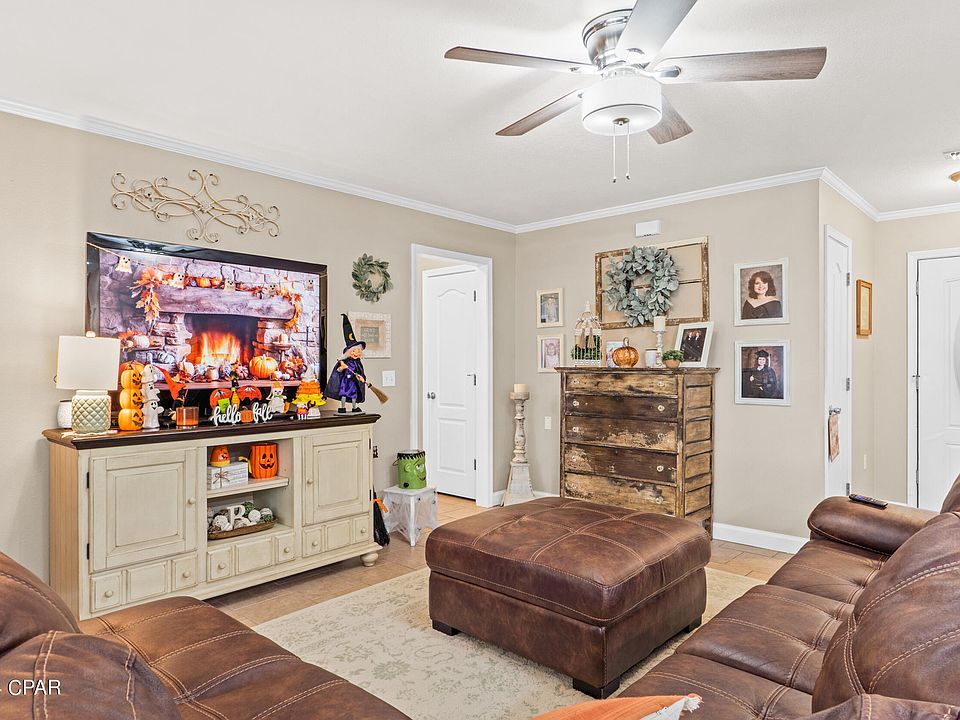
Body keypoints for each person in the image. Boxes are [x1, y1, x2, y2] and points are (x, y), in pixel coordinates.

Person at [325, 314, 367, 414]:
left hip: (353, 382)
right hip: (345, 382)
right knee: (343, 395)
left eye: (358, 351)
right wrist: (342, 368)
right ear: (348, 352)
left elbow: (360, 372)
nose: (356, 353)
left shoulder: (358, 363)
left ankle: (354, 407)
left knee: (354, 395)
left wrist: (362, 378)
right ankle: (343, 407)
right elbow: (338, 371)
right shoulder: (344, 361)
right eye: (354, 351)